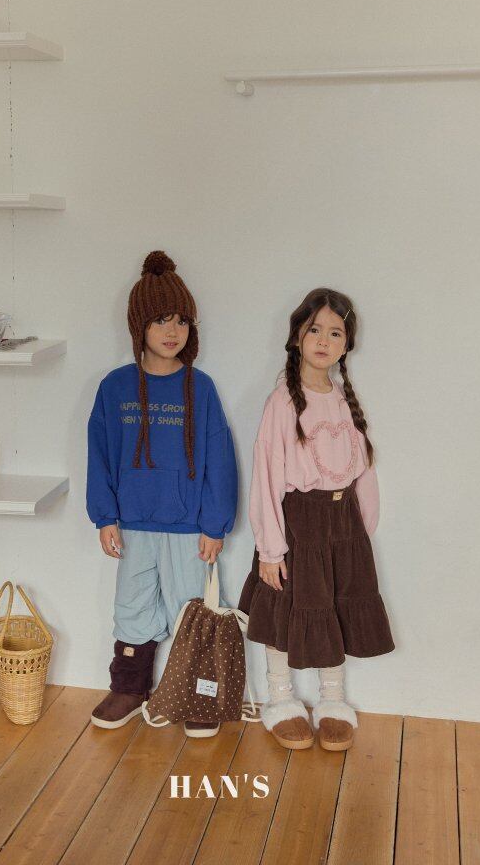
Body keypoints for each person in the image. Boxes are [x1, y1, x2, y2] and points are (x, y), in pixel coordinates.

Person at [87, 250, 238, 738]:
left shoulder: (201, 388)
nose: (172, 332)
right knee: (132, 607)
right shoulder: (115, 388)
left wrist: (215, 525)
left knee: (192, 611)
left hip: (188, 528)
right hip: (132, 525)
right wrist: (104, 516)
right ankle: (130, 689)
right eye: (160, 320)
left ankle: (199, 696)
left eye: (181, 321)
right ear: (140, 327)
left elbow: (220, 460)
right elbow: (100, 455)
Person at [238, 287, 394, 752]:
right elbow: (266, 476)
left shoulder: (344, 400)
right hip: (298, 526)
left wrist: (361, 533)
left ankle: (333, 700)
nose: (324, 340)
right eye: (315, 330)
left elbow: (363, 471)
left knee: (335, 608)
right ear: (297, 337)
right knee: (285, 609)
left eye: (336, 333)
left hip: (343, 527)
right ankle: (280, 699)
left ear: (347, 344)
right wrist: (270, 550)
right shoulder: (282, 402)